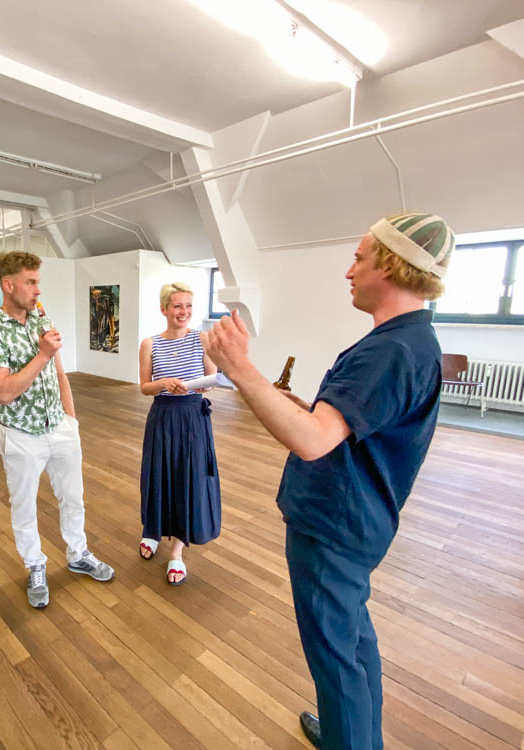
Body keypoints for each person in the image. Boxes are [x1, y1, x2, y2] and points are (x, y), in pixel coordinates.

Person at [202, 213, 455, 750]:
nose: (349, 271)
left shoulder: (390, 351)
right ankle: (356, 733)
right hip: (360, 522)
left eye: (359, 258)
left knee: (335, 658)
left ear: (389, 266)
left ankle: (349, 736)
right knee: (353, 642)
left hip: (335, 528)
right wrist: (305, 406)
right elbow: (342, 426)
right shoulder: (411, 341)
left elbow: (314, 440)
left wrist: (238, 368)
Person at [0, 250, 114, 609]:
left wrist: (72, 419)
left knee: (73, 498)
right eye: (30, 282)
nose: (38, 289)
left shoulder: (42, 319)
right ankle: (35, 565)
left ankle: (78, 552)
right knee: (24, 506)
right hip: (21, 435)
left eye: (38, 281)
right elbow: (4, 392)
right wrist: (41, 354)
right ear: (8, 285)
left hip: (61, 428)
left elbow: (60, 372)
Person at [138, 282, 221, 585]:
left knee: (187, 478)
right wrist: (164, 383)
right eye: (177, 306)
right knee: (159, 476)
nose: (183, 312)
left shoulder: (202, 339)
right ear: (164, 309)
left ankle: (177, 553)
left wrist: (192, 384)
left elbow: (212, 380)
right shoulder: (150, 344)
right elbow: (145, 386)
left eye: (188, 306)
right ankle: (152, 531)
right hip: (162, 416)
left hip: (192, 417)